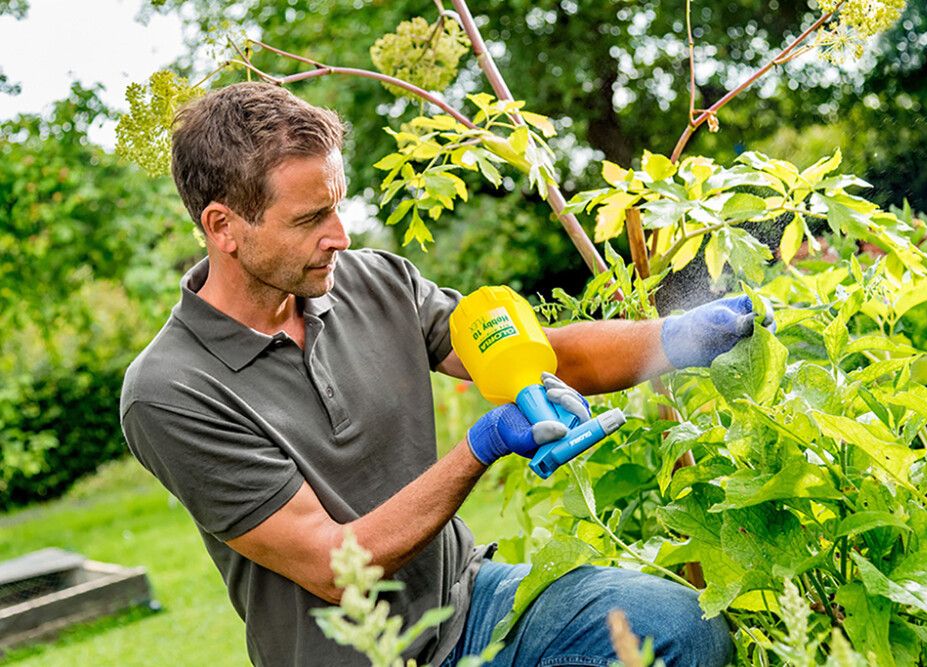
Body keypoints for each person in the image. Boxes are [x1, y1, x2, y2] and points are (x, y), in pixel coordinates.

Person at [120, 82, 758, 666]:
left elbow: (532, 355)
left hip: (470, 601)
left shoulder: (374, 281)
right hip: (363, 654)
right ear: (223, 227)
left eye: (337, 207)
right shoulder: (170, 392)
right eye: (310, 219)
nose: (340, 237)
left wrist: (677, 336)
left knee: (679, 627)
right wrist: (480, 447)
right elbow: (338, 568)